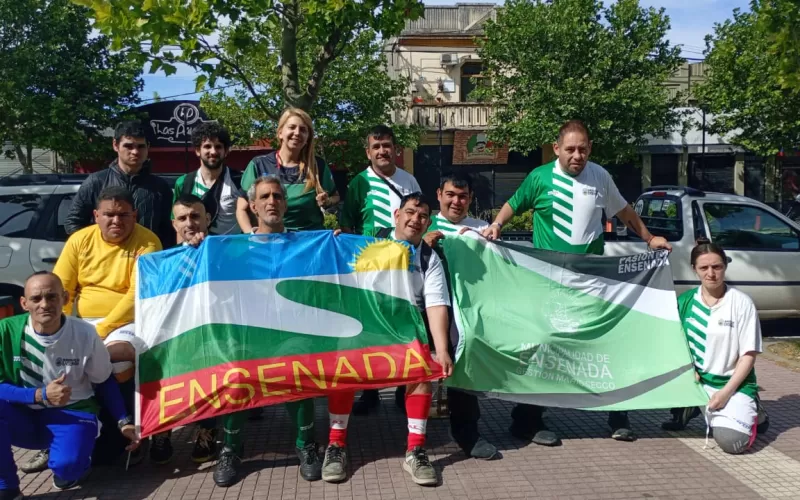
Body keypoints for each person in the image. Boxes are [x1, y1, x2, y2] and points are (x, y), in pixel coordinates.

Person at [482, 119, 672, 446]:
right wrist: (497, 224)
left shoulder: (600, 176)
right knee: (543, 345)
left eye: (582, 149)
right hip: (548, 281)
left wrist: (650, 237)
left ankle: (618, 414)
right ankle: (527, 419)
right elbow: (514, 204)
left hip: (591, 279)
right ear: (557, 149)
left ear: (590, 149)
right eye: (570, 149)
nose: (577, 155)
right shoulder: (539, 177)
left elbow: (624, 211)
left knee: (604, 342)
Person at [321, 193, 454, 486]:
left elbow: (436, 304)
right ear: (396, 215)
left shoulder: (429, 258)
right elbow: (342, 274)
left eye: (422, 216)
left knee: (421, 369)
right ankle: (335, 445)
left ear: (428, 222)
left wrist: (441, 350)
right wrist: (336, 243)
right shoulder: (369, 244)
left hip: (404, 331)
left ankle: (416, 450)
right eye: (409, 213)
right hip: (364, 328)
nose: (415, 220)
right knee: (343, 368)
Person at [213, 175, 323, 487]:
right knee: (236, 372)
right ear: (253, 205)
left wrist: (337, 240)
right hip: (249, 336)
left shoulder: (306, 245)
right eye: (265, 197)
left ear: (286, 204)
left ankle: (306, 445)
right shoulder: (234, 250)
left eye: (277, 196)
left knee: (297, 362)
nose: (272, 201)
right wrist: (192, 246)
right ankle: (231, 449)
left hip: (293, 332)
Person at [0, 272, 139, 500]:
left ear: (65, 298)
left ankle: (71, 457)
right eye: (36, 299)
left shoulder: (84, 332)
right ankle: (7, 488)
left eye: (52, 297)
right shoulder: (5, 331)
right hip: (24, 414)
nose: (45, 305)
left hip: (74, 411)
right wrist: (39, 395)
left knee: (67, 469)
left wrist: (123, 421)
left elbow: (103, 380)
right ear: (24, 303)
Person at [51, 186, 162, 466]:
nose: (116, 221)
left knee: (116, 359)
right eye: (109, 214)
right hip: (83, 320)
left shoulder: (147, 242)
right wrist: (59, 330)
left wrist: (97, 335)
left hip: (128, 321)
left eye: (124, 214)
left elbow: (136, 295)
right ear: (96, 215)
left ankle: (127, 433)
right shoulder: (79, 240)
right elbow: (62, 288)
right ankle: (55, 433)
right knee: (55, 359)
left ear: (134, 215)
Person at [340, 125, 422, 414]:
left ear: (395, 148)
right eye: (376, 147)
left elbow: (420, 217)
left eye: (386, 145)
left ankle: (404, 389)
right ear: (368, 152)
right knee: (369, 332)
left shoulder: (409, 180)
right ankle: (370, 391)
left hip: (403, 270)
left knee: (403, 326)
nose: (382, 151)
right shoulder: (358, 183)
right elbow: (348, 223)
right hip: (370, 271)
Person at [419, 172, 498, 460]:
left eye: (463, 196)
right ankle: (413, 436)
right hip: (427, 310)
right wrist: (421, 244)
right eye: (450, 194)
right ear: (439, 194)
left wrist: (484, 240)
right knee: (419, 370)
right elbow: (397, 252)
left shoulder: (482, 228)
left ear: (471, 199)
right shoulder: (423, 223)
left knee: (463, 368)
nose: (456, 201)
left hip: (468, 315)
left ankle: (467, 433)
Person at [661, 240, 767, 454]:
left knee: (733, 443)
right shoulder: (685, 301)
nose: (711, 273)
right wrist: (688, 370)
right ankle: (689, 406)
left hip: (732, 385)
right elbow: (674, 344)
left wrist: (726, 393)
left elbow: (749, 354)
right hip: (697, 382)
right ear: (694, 269)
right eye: (704, 268)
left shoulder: (741, 302)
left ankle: (756, 410)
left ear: (725, 267)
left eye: (717, 266)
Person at [65, 121, 175, 249]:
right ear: (115, 145)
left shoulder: (160, 187)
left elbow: (169, 231)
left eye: (141, 146)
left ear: (148, 147)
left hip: (146, 262)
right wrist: (94, 250)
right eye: (128, 146)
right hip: (105, 263)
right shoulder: (96, 182)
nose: (135, 152)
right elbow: (73, 222)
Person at [235, 108, 339, 233]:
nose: (297, 133)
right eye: (292, 127)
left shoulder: (317, 166)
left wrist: (326, 201)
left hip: (308, 244)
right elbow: (241, 209)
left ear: (308, 137)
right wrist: (251, 236)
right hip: (271, 242)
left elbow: (336, 197)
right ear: (280, 133)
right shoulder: (259, 164)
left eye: (303, 130)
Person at [173, 122, 242, 236]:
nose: (213, 152)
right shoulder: (184, 183)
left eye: (218, 146)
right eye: (207, 146)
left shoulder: (240, 181)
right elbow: (179, 224)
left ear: (226, 151)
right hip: (197, 250)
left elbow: (252, 219)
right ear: (197, 150)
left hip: (233, 251)